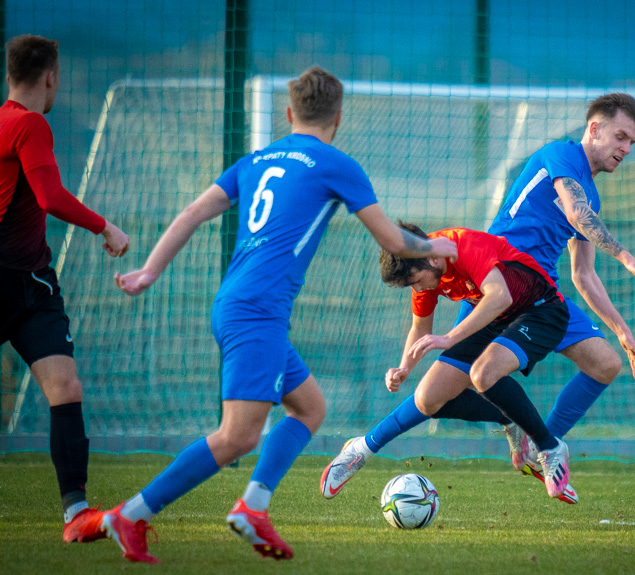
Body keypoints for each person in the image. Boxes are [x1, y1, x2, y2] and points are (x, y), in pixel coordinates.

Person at [95, 66, 457, 564]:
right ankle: (131, 514)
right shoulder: (335, 163)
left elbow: (191, 214)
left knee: (309, 408)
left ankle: (255, 506)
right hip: (258, 312)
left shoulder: (254, 161)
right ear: (339, 117)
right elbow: (394, 242)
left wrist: (149, 271)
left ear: (289, 113)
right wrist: (443, 245)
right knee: (237, 435)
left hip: (236, 303)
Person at [321, 93, 635, 500]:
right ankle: (361, 448)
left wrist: (621, 329)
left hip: (540, 292)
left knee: (606, 365)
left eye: (632, 142)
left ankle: (545, 444)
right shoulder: (561, 155)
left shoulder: (591, 194)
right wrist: (624, 255)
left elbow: (584, 274)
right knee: (431, 397)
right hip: (495, 284)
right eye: (621, 136)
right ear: (594, 129)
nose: (626, 149)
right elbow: (574, 212)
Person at [322, 222, 573, 500]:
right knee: (428, 399)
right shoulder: (423, 267)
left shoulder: (463, 246)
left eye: (416, 280)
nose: (417, 288)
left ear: (431, 258)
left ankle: (550, 447)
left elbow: (500, 296)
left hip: (541, 312)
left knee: (483, 374)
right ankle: (510, 419)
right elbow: (420, 327)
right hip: (497, 318)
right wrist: (404, 367)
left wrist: (451, 337)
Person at [0, 34, 130, 543]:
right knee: (65, 389)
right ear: (50, 76)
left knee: (65, 388)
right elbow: (50, 197)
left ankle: (76, 512)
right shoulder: (28, 122)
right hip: (7, 280)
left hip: (33, 286)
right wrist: (105, 227)